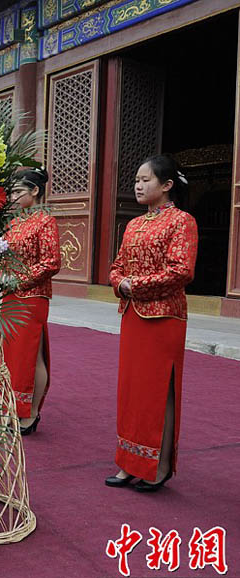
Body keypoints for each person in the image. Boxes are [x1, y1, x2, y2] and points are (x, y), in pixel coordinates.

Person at [106, 155, 197, 493]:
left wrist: (134, 286)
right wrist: (120, 284)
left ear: (167, 185)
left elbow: (181, 271)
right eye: (136, 180)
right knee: (131, 392)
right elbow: (116, 267)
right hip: (133, 316)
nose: (138, 185)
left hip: (164, 317)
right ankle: (129, 464)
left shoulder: (182, 222)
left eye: (145, 180)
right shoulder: (133, 224)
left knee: (159, 391)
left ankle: (156, 468)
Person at [2, 168, 60, 435]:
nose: (12, 197)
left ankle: (31, 412)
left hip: (32, 295)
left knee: (31, 355)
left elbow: (51, 262)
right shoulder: (13, 223)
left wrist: (19, 280)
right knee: (13, 355)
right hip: (9, 295)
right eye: (11, 192)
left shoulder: (44, 221)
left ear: (35, 192)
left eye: (18, 192)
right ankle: (13, 408)